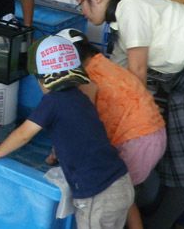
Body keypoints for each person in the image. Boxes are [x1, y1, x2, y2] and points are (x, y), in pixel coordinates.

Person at [73, 0, 184, 229]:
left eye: (80, 3)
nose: (82, 11)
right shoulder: (121, 25)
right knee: (183, 154)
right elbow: (114, 73)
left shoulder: (131, 7)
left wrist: (128, 121)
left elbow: (136, 73)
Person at [0, 35, 135, 229]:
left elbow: (24, 133)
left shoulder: (52, 101)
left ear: (43, 79)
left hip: (98, 194)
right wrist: (56, 154)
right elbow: (78, 134)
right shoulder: (80, 98)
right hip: (121, 182)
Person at [56, 28, 166, 229]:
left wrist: (56, 153)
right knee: (125, 192)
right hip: (154, 134)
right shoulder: (105, 64)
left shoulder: (87, 79)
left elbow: (79, 125)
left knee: (112, 188)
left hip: (136, 140)